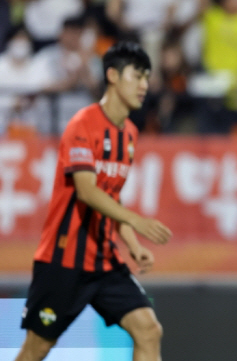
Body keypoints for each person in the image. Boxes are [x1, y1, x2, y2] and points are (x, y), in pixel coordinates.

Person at [14, 41, 173, 361]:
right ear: (112, 75)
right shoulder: (82, 125)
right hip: (63, 259)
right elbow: (86, 191)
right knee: (36, 349)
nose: (144, 85)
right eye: (137, 76)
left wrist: (130, 242)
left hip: (104, 261)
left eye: (147, 77)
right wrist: (136, 221)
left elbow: (110, 195)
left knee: (148, 329)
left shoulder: (128, 133)